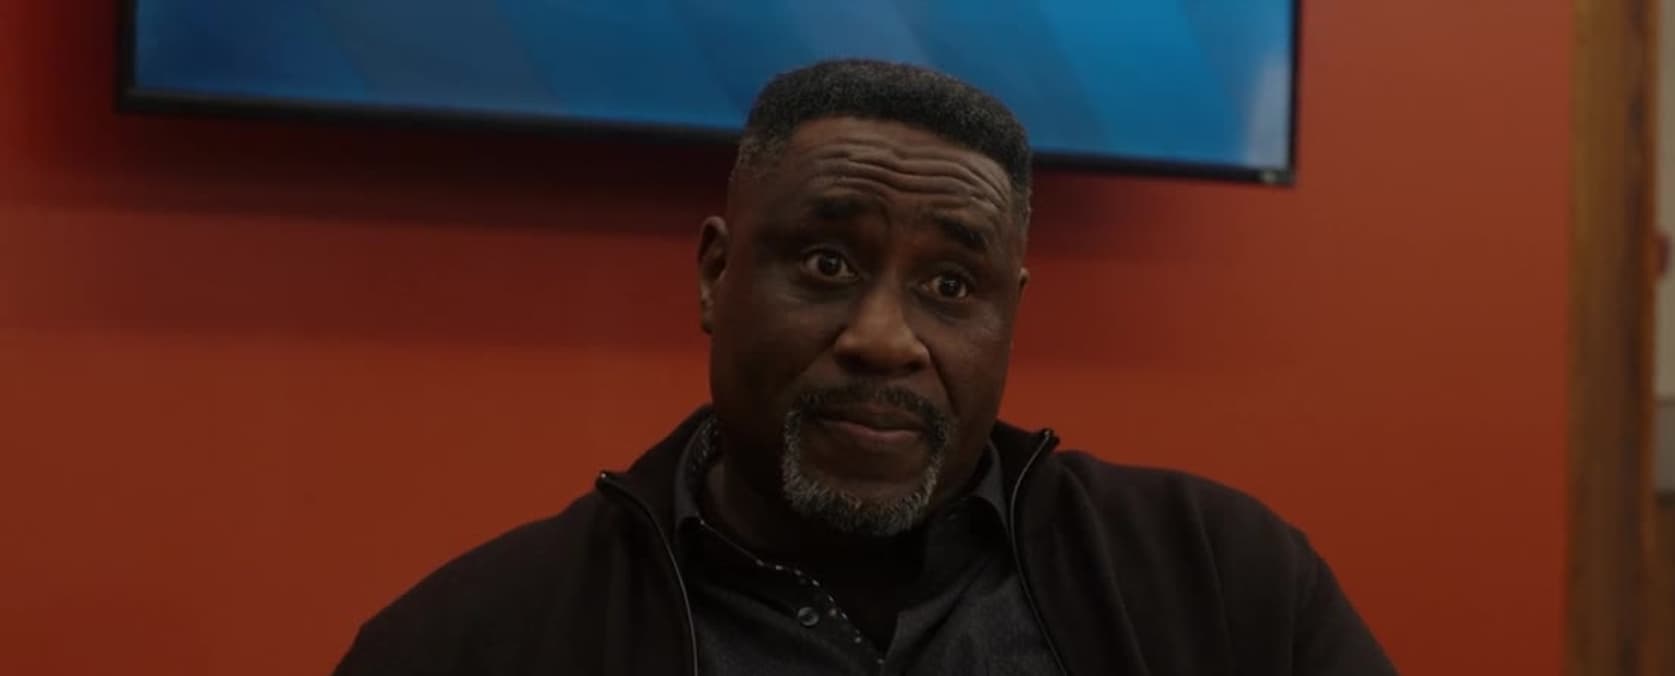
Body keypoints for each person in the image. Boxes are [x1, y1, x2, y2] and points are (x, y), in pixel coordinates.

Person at [335, 59, 1396, 676]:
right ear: (715, 276)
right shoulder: (476, 643)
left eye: (951, 285)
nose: (886, 338)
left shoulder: (1222, 582)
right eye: (827, 263)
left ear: (1011, 315)